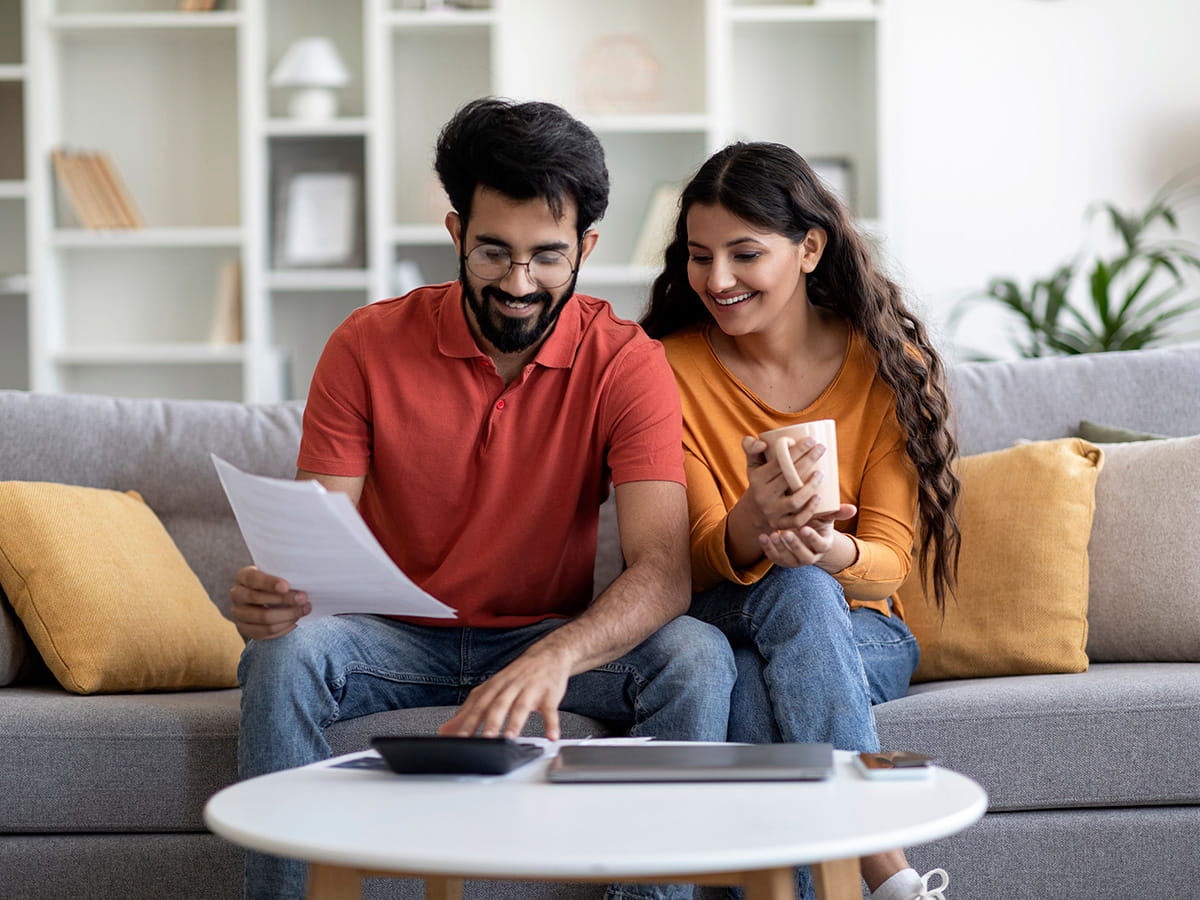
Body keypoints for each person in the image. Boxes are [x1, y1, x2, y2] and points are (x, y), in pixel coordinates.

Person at [230, 97, 737, 900]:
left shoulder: (627, 362)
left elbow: (666, 571)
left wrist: (554, 657)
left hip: (543, 634)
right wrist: (275, 598)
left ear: (586, 248)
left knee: (697, 656)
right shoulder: (364, 344)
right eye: (493, 252)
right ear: (456, 233)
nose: (519, 284)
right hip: (388, 641)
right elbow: (313, 547)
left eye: (547, 256)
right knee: (284, 653)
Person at [639, 142, 962, 900]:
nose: (716, 280)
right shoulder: (667, 368)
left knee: (766, 665)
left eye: (744, 254)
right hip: (724, 608)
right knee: (794, 589)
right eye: (699, 255)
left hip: (865, 630)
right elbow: (685, 557)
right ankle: (885, 868)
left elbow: (888, 562)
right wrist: (752, 525)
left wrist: (832, 547)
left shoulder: (885, 365)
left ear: (810, 247)